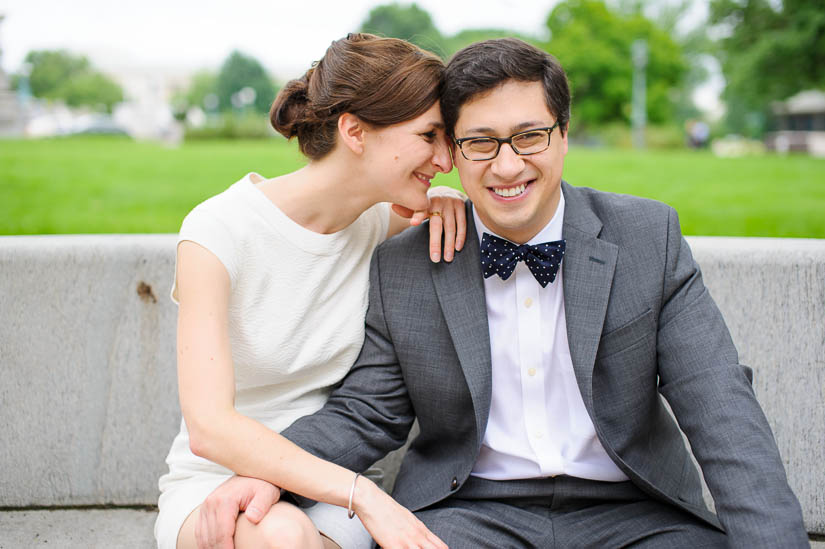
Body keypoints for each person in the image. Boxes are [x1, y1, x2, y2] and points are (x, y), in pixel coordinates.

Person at [200, 38, 808, 547]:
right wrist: (267, 477)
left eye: (529, 137)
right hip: (469, 516)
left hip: (636, 519)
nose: (508, 165)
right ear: (454, 154)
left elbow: (720, 409)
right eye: (482, 142)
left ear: (565, 135)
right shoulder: (408, 262)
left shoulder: (647, 238)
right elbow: (365, 414)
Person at [154, 33, 465, 549]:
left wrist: (448, 202)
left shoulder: (380, 223)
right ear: (355, 132)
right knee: (279, 535)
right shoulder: (218, 232)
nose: (445, 160)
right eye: (429, 136)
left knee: (286, 533)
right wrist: (363, 495)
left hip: (327, 475)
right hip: (219, 479)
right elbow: (210, 426)